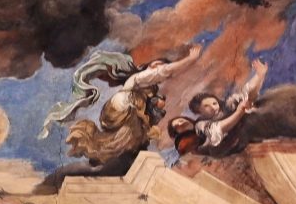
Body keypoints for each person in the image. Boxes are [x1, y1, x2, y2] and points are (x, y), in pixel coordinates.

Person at [57, 45, 203, 167]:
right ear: (148, 66)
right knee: (134, 134)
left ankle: (107, 158)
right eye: (156, 65)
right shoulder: (140, 77)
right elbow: (164, 72)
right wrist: (190, 59)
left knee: (125, 142)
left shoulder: (148, 91)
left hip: (122, 114)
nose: (159, 68)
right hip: (121, 107)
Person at [188, 58, 269, 153]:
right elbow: (219, 129)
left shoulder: (227, 105)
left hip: (244, 141)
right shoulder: (200, 125)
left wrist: (259, 76)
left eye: (214, 103)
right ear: (198, 111)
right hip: (224, 150)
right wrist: (239, 112)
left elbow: (247, 94)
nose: (213, 107)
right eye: (206, 106)